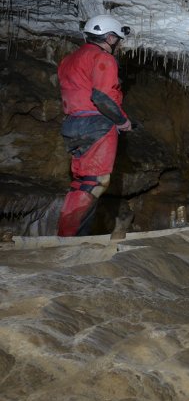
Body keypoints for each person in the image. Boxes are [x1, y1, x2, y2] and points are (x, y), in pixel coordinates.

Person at [56, 14, 133, 237]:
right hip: (96, 124)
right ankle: (73, 239)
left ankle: (67, 233)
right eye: (116, 39)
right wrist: (122, 121)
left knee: (82, 182)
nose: (117, 45)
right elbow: (102, 97)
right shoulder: (103, 58)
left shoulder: (68, 60)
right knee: (95, 181)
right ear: (109, 38)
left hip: (72, 125)